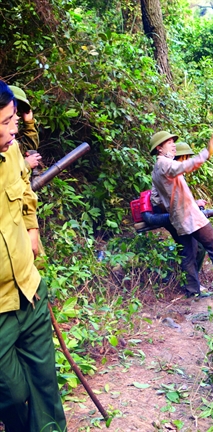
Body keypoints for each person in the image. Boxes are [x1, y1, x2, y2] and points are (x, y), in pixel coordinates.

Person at [0, 81, 67, 431]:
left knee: (44, 386)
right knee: (11, 392)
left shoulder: (11, 152)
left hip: (29, 288)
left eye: (15, 119)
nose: (15, 129)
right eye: (6, 122)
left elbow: (25, 190)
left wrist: (32, 228)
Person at [149, 130, 213, 300]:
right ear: (159, 148)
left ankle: (192, 291)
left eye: (173, 142)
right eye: (169, 142)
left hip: (178, 218)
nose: (173, 145)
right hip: (189, 216)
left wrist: (174, 205)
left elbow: (155, 198)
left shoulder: (156, 170)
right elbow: (183, 166)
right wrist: (205, 153)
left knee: (188, 253)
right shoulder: (164, 163)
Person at [150, 141, 207, 290]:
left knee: (196, 247)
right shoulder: (166, 169)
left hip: (178, 214)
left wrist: (193, 203)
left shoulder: (173, 172)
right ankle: (189, 284)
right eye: (186, 158)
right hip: (170, 216)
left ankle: (190, 281)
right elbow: (157, 198)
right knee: (191, 248)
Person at [8, 85, 41, 174]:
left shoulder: (9, 141)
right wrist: (26, 164)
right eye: (12, 111)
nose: (18, 117)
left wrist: (29, 123)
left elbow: (28, 149)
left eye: (17, 112)